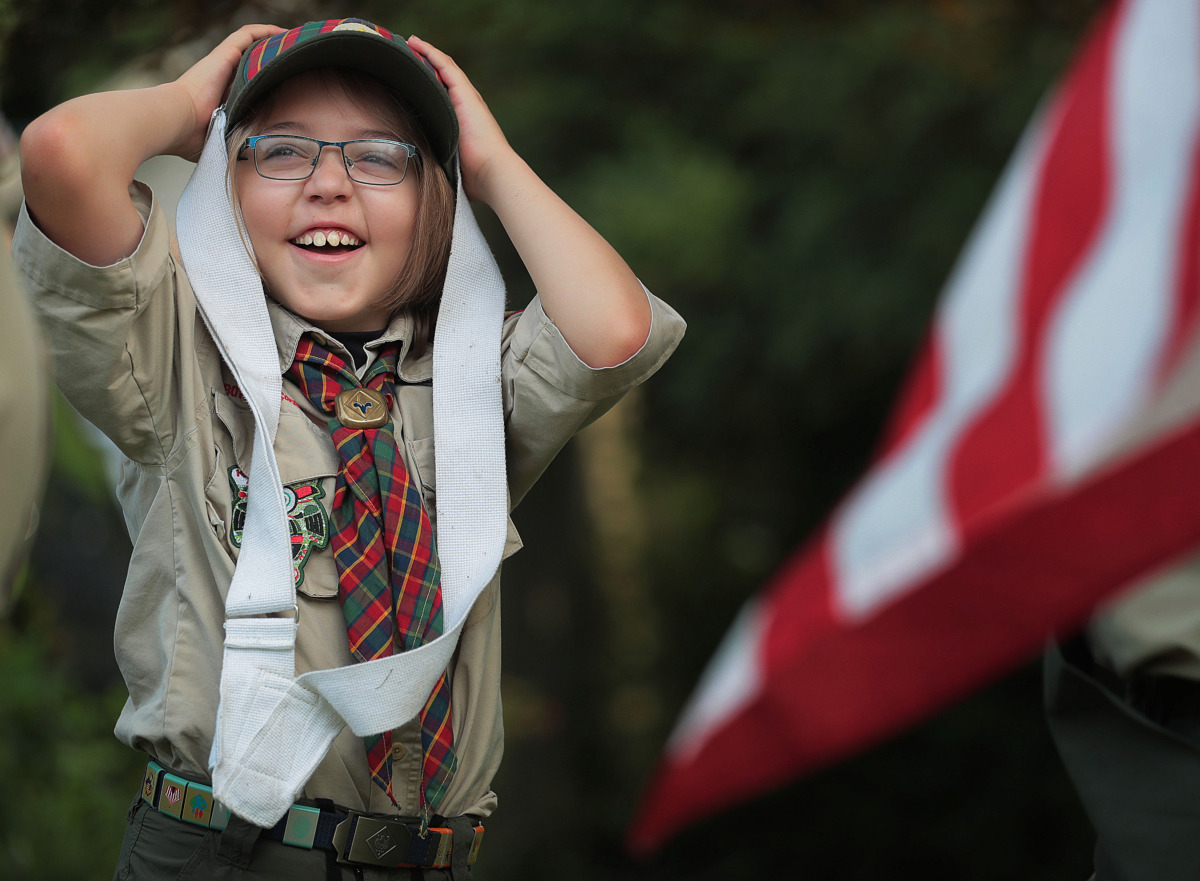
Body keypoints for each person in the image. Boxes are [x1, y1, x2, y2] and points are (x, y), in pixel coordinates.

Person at [13, 17, 684, 879]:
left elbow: (613, 330)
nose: (329, 184)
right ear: (223, 184)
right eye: (281, 152)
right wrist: (190, 108)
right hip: (222, 853)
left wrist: (492, 166)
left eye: (380, 158)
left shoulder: (474, 378)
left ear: (435, 198)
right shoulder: (176, 359)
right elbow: (63, 154)